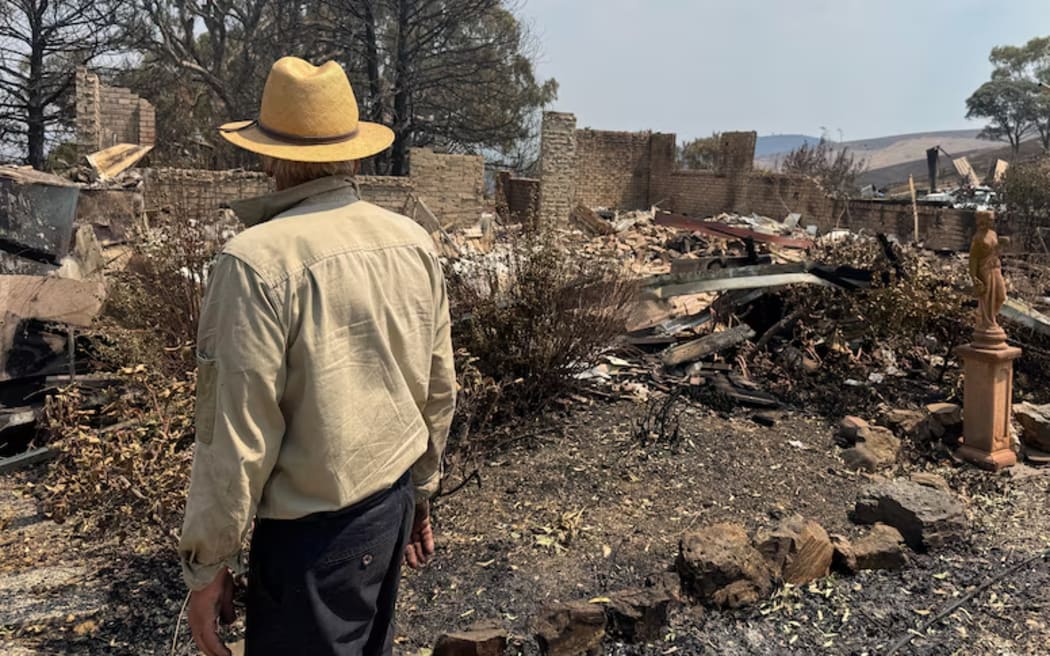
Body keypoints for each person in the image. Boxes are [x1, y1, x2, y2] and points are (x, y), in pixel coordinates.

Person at [177, 56, 456, 656]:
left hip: (312, 543)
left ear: (271, 158)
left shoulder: (253, 262)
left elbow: (235, 438)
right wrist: (421, 495)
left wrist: (207, 568)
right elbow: (439, 390)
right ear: (354, 154)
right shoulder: (412, 242)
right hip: (389, 510)